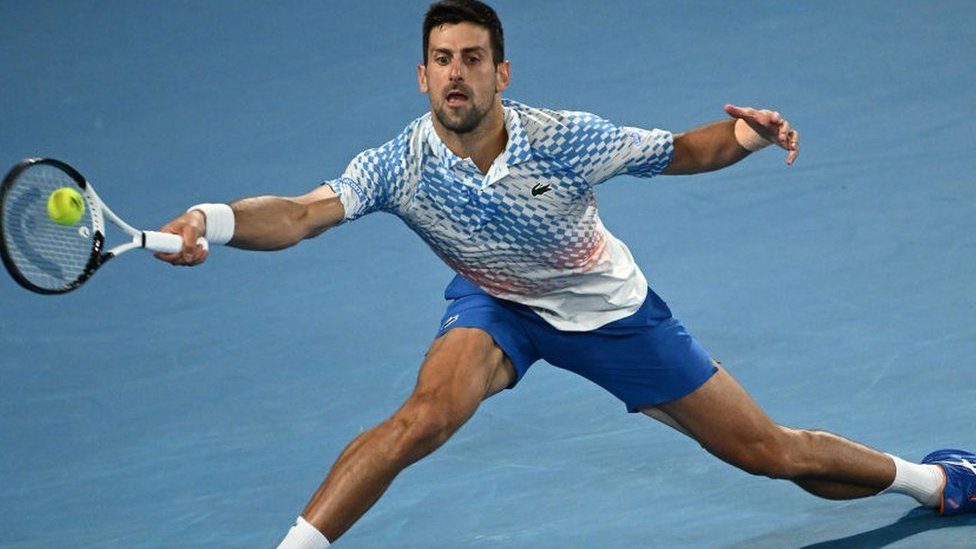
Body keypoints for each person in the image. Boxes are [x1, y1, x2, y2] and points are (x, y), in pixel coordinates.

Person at [156, 1, 976, 546]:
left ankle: (935, 479)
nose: (454, 74)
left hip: (611, 314)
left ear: (500, 73)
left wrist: (753, 135)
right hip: (498, 303)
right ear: (421, 75)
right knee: (422, 419)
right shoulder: (397, 164)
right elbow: (300, 214)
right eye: (440, 59)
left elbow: (682, 150)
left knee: (772, 453)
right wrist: (211, 220)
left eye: (472, 59)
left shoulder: (565, 136)